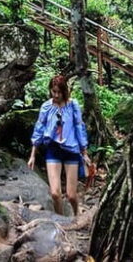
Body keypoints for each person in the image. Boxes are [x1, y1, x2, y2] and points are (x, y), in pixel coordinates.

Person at [28, 75, 90, 216]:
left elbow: (79, 127)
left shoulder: (73, 105)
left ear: (64, 91)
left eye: (59, 92)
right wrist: (32, 155)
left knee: (71, 195)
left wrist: (84, 152)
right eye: (53, 91)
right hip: (53, 150)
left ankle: (77, 216)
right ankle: (60, 220)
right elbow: (39, 129)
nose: (56, 95)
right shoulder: (46, 107)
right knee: (55, 194)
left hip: (71, 151)